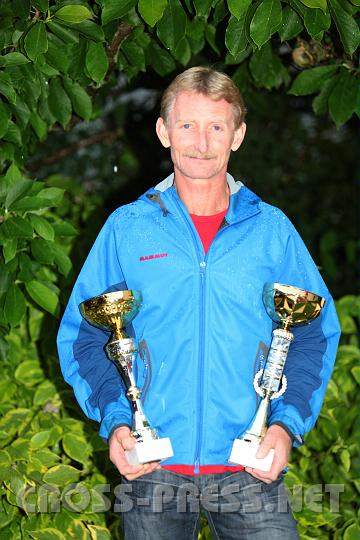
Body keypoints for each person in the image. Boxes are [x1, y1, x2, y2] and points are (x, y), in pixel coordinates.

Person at [57, 67, 341, 539]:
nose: (202, 142)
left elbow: (314, 334)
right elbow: (85, 337)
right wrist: (117, 421)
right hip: (152, 468)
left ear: (239, 135)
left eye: (217, 127)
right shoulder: (128, 229)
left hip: (248, 467)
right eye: (187, 125)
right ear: (164, 131)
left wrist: (285, 426)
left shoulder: (271, 231)